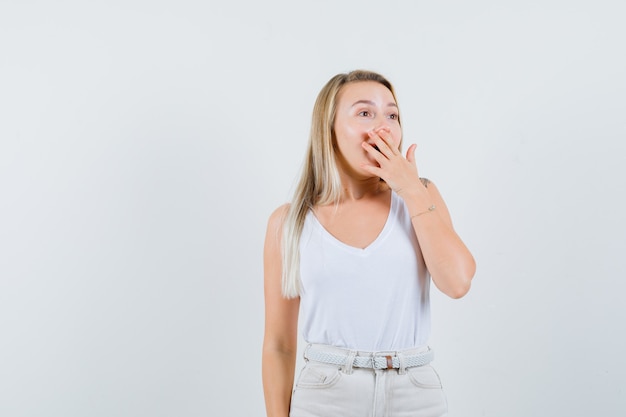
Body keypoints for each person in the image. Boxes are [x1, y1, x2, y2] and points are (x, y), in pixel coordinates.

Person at [262, 69, 476, 417]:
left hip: (415, 394)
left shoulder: (420, 197)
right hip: (325, 396)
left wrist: (409, 189)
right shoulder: (289, 223)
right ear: (329, 130)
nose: (383, 126)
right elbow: (279, 345)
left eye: (392, 115)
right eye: (365, 113)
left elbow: (457, 282)